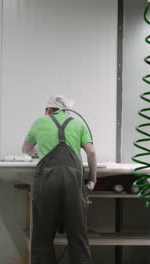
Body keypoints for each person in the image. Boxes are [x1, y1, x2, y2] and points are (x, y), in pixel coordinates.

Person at [22, 95, 97, 264]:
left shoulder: (40, 122)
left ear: (49, 110)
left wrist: (40, 150)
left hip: (47, 180)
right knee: (78, 233)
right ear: (67, 111)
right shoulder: (78, 124)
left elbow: (25, 149)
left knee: (42, 233)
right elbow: (91, 153)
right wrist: (92, 180)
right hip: (73, 180)